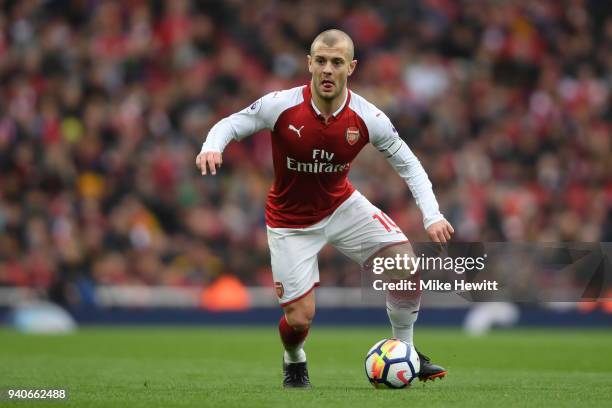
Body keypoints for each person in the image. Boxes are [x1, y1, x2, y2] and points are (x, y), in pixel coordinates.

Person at [196, 29, 454, 388]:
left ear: (351, 67)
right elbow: (234, 123)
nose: (327, 70)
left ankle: (407, 350)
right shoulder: (281, 105)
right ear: (309, 65)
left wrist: (432, 215)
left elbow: (409, 164)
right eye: (320, 61)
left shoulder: (368, 117)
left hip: (341, 206)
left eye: (336, 63)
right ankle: (294, 358)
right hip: (290, 223)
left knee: (405, 265)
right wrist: (213, 145)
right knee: (299, 321)